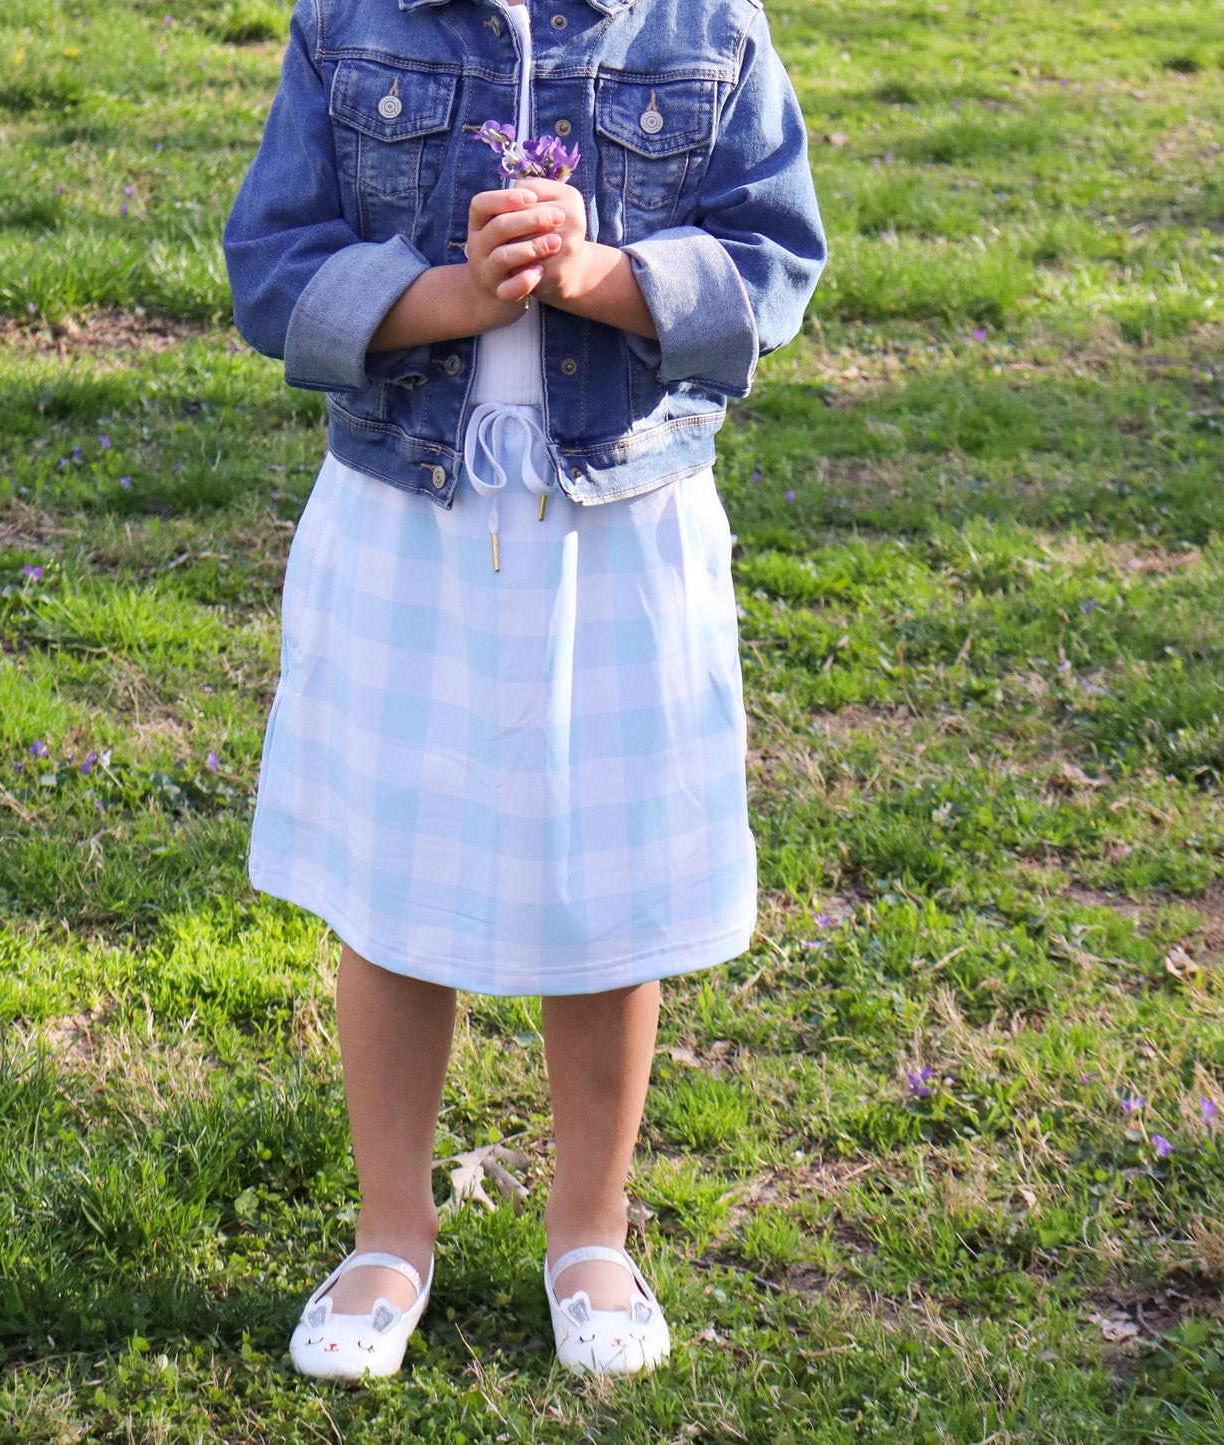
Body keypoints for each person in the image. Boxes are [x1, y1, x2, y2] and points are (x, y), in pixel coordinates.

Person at [222, 0, 826, 1381]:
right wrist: (453, 294)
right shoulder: (350, 22)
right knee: (393, 877)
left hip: (621, 521)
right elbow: (271, 262)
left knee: (606, 880)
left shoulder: (707, 27)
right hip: (409, 515)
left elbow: (775, 256)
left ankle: (589, 1230)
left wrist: (604, 276)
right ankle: (390, 1232)